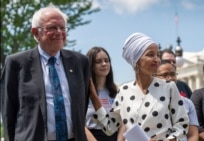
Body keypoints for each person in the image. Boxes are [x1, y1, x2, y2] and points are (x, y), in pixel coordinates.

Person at [0, 4, 90, 141]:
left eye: (63, 27)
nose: (59, 32)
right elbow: (8, 111)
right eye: (52, 27)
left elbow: (81, 107)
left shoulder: (80, 62)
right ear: (36, 32)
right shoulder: (16, 63)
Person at [90, 32, 189, 141]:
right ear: (136, 61)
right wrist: (93, 94)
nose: (157, 59)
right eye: (150, 55)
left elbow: (182, 123)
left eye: (158, 55)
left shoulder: (169, 87)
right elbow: (109, 127)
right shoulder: (124, 91)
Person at [155, 59, 199, 141]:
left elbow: (193, 135)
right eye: (164, 75)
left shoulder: (187, 103)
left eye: (173, 74)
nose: (170, 78)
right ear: (154, 77)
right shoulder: (148, 103)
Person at [85, 46, 118, 141]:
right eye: (98, 61)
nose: (104, 64)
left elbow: (122, 124)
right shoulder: (83, 93)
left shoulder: (117, 92)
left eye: (107, 61)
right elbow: (78, 124)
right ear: (90, 65)